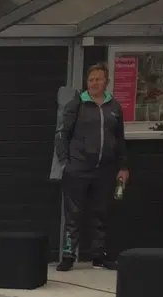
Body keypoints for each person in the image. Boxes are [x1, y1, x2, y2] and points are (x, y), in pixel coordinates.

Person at [55, 63, 129, 271]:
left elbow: (120, 138)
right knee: (73, 214)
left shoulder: (114, 107)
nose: (95, 83)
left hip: (105, 169)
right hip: (77, 168)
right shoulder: (76, 104)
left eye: (99, 79)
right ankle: (69, 255)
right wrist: (65, 162)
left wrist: (123, 166)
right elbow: (62, 133)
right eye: (91, 79)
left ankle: (99, 255)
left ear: (106, 81)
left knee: (101, 212)